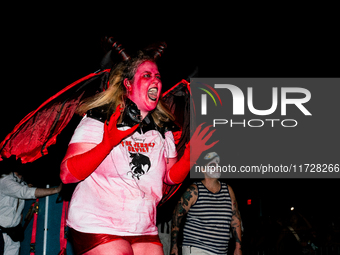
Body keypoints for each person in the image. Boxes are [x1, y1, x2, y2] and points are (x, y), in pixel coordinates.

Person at [60, 52, 218, 255]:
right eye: (147, 75)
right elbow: (67, 175)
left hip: (143, 226)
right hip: (96, 222)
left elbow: (170, 177)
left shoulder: (162, 129)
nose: (155, 80)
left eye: (158, 76)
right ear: (127, 84)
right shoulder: (101, 119)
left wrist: (189, 158)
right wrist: (107, 143)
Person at [170, 152, 242, 255]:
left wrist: (238, 247)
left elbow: (235, 218)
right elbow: (177, 215)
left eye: (219, 164)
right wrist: (174, 245)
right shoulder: (194, 191)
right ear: (203, 169)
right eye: (213, 164)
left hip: (221, 251)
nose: (217, 167)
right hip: (196, 248)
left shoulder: (228, 190)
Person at [0, 168, 62, 255]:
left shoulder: (20, 181)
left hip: (14, 235)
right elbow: (25, 192)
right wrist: (56, 190)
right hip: (2, 234)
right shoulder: (5, 180)